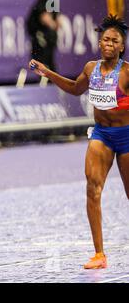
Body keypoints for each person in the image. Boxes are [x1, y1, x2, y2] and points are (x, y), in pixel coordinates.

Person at [29, 15, 129, 269]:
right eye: (105, 39)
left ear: (121, 47)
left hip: (127, 136)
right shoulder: (90, 68)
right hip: (102, 135)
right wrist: (47, 72)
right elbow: (75, 89)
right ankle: (99, 255)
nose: (108, 43)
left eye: (114, 41)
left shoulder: (127, 73)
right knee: (92, 190)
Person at [26, 0, 60, 72]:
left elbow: (45, 17)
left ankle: (46, 81)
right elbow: (58, 19)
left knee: (41, 59)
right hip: (48, 35)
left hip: (42, 35)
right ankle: (52, 81)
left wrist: (48, 31)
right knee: (48, 59)